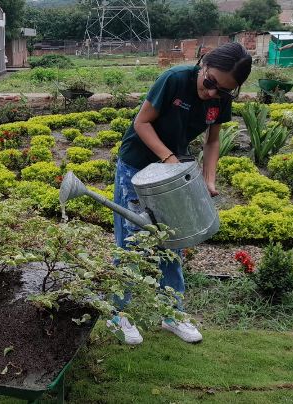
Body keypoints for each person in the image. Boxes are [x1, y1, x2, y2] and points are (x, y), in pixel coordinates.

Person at [108, 43, 252, 345]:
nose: (213, 93)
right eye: (210, 83)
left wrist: (209, 180)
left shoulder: (220, 97)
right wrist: (169, 158)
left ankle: (172, 314)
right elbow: (141, 123)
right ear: (204, 64)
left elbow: (213, 142)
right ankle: (117, 314)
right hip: (136, 166)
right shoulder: (174, 79)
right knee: (132, 243)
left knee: (172, 241)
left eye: (223, 91)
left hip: (171, 173)